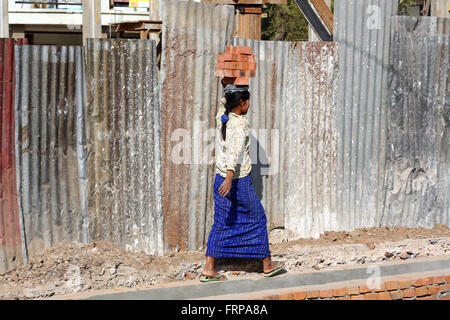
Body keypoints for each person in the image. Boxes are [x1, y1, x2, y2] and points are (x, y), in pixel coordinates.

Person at [200, 79, 285, 282]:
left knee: (221, 222)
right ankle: (266, 265)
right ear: (241, 103)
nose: (249, 105)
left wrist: (226, 87)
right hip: (237, 182)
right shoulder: (238, 123)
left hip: (219, 179)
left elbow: (222, 106)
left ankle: (209, 268)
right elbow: (235, 152)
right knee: (257, 218)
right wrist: (230, 178)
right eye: (247, 102)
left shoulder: (223, 118)